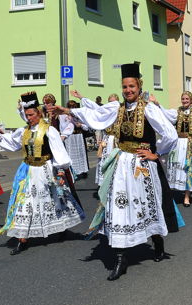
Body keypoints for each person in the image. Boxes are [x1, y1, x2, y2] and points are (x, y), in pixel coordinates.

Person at [53, 63, 180, 281]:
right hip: (121, 165)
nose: (128, 90)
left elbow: (170, 134)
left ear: (139, 86)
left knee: (148, 204)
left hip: (142, 165)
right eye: (125, 87)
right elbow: (95, 114)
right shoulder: (116, 108)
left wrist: (156, 154)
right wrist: (66, 110)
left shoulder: (148, 108)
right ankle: (121, 257)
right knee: (118, 205)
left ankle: (157, 240)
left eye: (132, 86)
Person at [0, 92, 85, 255]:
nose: (28, 118)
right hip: (27, 171)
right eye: (26, 115)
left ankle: (61, 227)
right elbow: (13, 144)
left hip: (45, 170)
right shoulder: (24, 131)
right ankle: (22, 239)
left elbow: (59, 153)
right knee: (24, 203)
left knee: (53, 200)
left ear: (39, 113)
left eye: (31, 115)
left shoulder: (49, 130)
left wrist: (60, 172)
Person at [151, 91, 192, 206]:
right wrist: (157, 104)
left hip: (191, 144)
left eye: (186, 99)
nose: (184, 101)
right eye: (183, 99)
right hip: (179, 144)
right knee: (176, 167)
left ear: (190, 100)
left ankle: (187, 196)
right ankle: (174, 192)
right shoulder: (177, 112)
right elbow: (165, 114)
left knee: (189, 168)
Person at [64, 99, 90, 179]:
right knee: (70, 154)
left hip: (79, 136)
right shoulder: (64, 116)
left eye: (73, 107)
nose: (72, 108)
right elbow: (63, 127)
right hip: (69, 138)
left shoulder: (80, 115)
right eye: (70, 107)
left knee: (81, 154)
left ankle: (83, 171)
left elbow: (87, 127)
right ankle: (72, 172)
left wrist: (81, 125)